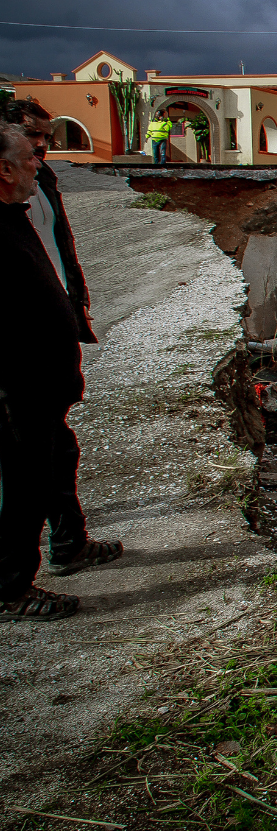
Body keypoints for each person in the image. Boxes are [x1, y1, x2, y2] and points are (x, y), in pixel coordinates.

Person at [3, 100, 120, 580]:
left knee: (56, 453)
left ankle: (70, 542)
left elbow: (56, 252)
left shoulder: (33, 191)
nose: (41, 151)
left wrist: (72, 305)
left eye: (47, 140)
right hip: (19, 373)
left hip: (47, 360)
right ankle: (12, 584)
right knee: (24, 475)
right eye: (33, 140)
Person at [0, 123, 87, 620]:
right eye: (29, 156)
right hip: (19, 390)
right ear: (4, 169)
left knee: (54, 463)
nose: (39, 162)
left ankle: (69, 546)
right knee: (22, 486)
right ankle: (10, 588)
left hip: (43, 385)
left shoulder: (14, 216)